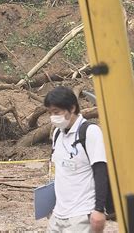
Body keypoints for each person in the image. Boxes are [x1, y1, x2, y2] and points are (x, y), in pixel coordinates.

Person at [44, 86, 108, 233]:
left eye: (57, 112)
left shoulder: (90, 132)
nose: (53, 117)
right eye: (50, 113)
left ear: (72, 108)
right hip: (58, 214)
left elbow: (101, 172)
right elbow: (57, 171)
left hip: (81, 215)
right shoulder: (57, 134)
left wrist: (99, 209)